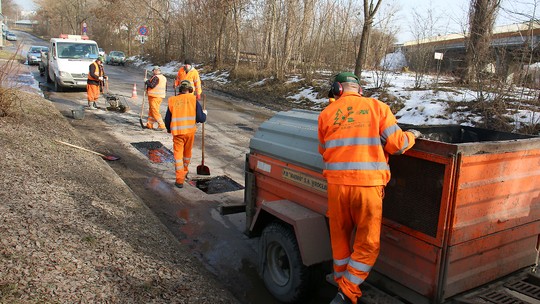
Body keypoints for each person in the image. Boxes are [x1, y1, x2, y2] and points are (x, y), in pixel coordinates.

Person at [317, 72, 421, 304]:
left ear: (337, 89)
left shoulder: (326, 114)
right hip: (367, 187)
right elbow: (398, 145)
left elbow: (323, 150)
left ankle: (340, 282)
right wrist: (412, 135)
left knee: (340, 237)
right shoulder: (378, 108)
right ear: (359, 90)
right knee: (367, 243)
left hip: (336, 188)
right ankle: (347, 291)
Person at [165, 80, 207, 188]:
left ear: (180, 90)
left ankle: (180, 180)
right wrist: (204, 114)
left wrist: (169, 129)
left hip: (178, 133)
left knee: (178, 156)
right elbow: (200, 118)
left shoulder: (173, 100)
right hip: (189, 132)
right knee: (187, 155)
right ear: (190, 90)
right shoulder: (193, 100)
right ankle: (185, 171)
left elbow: (167, 119)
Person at [144, 66, 167, 130]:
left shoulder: (156, 77)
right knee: (152, 110)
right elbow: (165, 88)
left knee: (154, 111)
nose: (153, 72)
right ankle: (149, 124)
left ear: (155, 70)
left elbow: (151, 85)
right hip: (160, 96)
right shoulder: (164, 78)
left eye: (153, 71)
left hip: (154, 96)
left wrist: (146, 81)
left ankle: (161, 124)